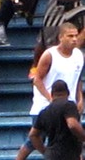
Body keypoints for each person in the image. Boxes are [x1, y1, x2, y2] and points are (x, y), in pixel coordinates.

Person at [16, 23, 83, 160]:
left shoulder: (78, 55)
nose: (74, 39)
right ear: (60, 37)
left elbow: (77, 78)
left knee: (73, 139)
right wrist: (50, 98)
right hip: (45, 105)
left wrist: (80, 98)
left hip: (69, 104)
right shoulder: (50, 55)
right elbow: (37, 79)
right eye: (70, 36)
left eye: (76, 36)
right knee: (33, 140)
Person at [28, 80, 85, 160]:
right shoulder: (68, 105)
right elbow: (72, 125)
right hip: (69, 154)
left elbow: (33, 135)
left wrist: (45, 151)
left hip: (51, 155)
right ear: (68, 93)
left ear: (51, 94)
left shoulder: (44, 112)